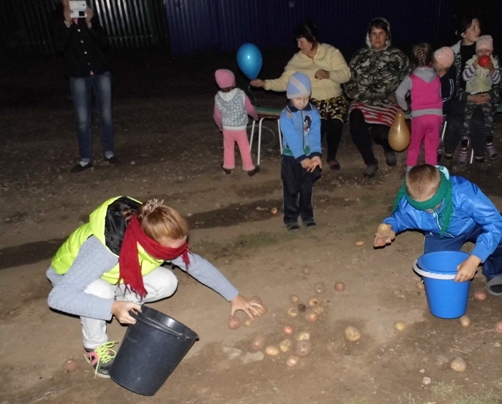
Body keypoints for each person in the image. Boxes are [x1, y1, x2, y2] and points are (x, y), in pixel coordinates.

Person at [47, 197, 261, 377]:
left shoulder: (151, 228)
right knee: (100, 292)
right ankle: (94, 346)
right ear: (149, 243)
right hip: (72, 279)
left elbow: (195, 265)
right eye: (169, 251)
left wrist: (234, 295)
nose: (175, 254)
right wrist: (111, 307)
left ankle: (123, 303)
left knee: (167, 281)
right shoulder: (104, 250)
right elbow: (58, 297)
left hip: (112, 275)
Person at [374, 164, 502, 296]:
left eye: (434, 205)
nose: (429, 211)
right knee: (437, 273)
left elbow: (495, 223)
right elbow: (400, 218)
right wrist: (390, 228)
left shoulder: (463, 192)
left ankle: (494, 271)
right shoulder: (409, 202)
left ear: (442, 190)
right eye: (422, 208)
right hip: (441, 235)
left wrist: (475, 258)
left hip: (474, 225)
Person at [251, 20, 350, 170]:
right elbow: (285, 82)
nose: (298, 45)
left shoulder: (331, 52)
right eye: (297, 41)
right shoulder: (296, 60)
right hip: (312, 100)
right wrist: (265, 84)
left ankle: (331, 156)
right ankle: (311, 154)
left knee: (335, 123)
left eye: (301, 41)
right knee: (317, 123)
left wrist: (329, 74)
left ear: (312, 39)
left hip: (334, 98)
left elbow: (346, 75)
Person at [53, 0, 117, 173]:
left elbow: (104, 43)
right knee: (82, 119)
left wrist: (90, 24)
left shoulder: (88, 14)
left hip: (101, 72)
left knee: (106, 115)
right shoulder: (57, 19)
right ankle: (85, 159)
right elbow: (59, 47)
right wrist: (67, 24)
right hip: (78, 75)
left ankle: (109, 152)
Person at [344, 17, 411, 178]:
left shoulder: (398, 57)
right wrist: (355, 94)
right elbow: (348, 81)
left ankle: (388, 147)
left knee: (381, 134)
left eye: (381, 33)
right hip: (363, 101)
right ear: (369, 36)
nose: (377, 37)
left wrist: (397, 96)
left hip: (388, 103)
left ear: (387, 36)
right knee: (355, 121)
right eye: (374, 33)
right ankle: (370, 161)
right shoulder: (359, 56)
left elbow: (408, 82)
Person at [442, 17, 502, 166]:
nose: (478, 30)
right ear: (463, 33)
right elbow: (448, 85)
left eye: (479, 26)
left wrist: (490, 95)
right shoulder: (453, 55)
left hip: (483, 98)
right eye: (473, 27)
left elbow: (500, 82)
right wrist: (466, 97)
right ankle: (448, 156)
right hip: (460, 98)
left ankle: (479, 157)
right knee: (455, 121)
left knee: (478, 121)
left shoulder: (487, 50)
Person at [396, 44, 453, 172]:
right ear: (431, 60)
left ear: (413, 61)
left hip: (419, 117)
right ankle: (431, 174)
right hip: (435, 117)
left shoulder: (411, 78)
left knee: (414, 145)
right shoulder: (436, 77)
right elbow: (439, 95)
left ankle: (410, 173)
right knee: (432, 148)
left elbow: (399, 93)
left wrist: (404, 106)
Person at [279, 73, 322, 230]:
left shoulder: (313, 112)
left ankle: (307, 216)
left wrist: (316, 154)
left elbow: (315, 134)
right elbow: (291, 138)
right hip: (291, 158)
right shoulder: (286, 115)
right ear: (290, 97)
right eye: (298, 98)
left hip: (308, 157)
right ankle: (290, 218)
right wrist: (301, 158)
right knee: (290, 189)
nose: (303, 102)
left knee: (306, 188)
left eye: (306, 97)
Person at [461, 35, 502, 163]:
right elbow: (464, 77)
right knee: (466, 121)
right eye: (480, 51)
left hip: (485, 96)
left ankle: (489, 144)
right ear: (476, 52)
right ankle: (464, 149)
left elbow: (497, 81)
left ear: (491, 51)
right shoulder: (470, 62)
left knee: (488, 119)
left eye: (487, 51)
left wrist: (492, 70)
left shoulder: (494, 63)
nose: (484, 54)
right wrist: (473, 66)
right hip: (472, 95)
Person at [213, 69, 260, 176]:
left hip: (227, 128)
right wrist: (255, 116)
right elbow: (250, 108)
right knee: (244, 147)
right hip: (240, 128)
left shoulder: (218, 97)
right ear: (233, 82)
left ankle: (227, 166)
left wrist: (219, 125)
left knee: (228, 147)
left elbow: (217, 115)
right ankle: (249, 168)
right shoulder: (241, 94)